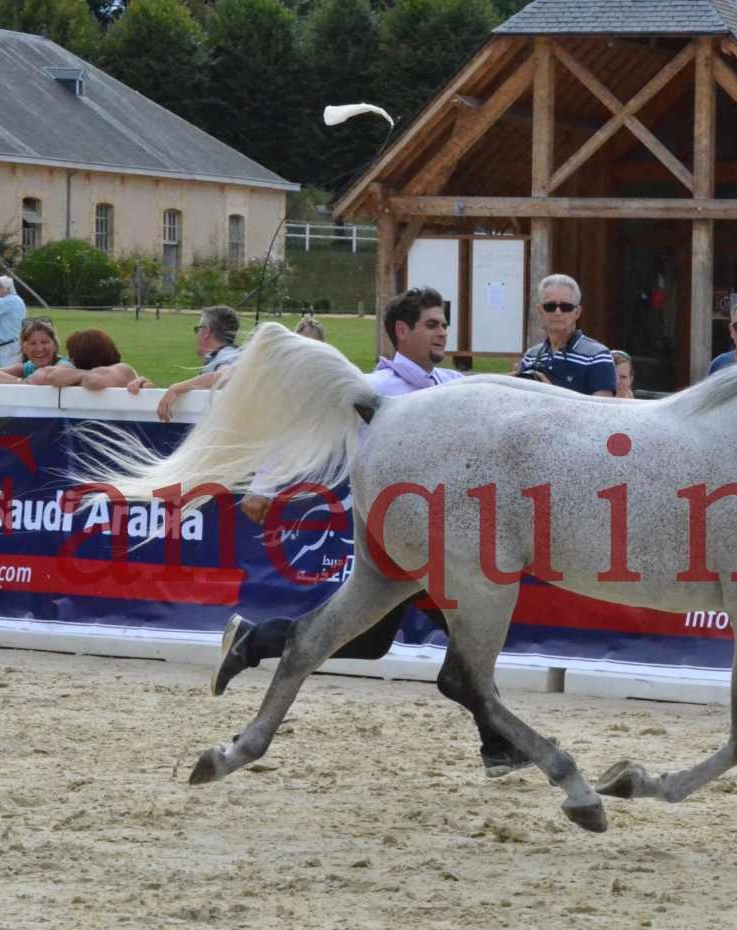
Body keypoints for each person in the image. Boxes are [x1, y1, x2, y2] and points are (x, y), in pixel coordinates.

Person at [211, 289, 529, 778]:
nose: (442, 331)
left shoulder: (449, 384)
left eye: (443, 324)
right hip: (396, 536)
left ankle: (254, 640)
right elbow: (301, 430)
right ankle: (499, 746)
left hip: (444, 536)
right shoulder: (372, 387)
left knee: (375, 642)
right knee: (463, 637)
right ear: (402, 332)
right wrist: (264, 485)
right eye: (431, 324)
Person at [517, 274, 616, 395]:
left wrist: (551, 393)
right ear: (540, 311)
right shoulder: (531, 356)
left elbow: (601, 411)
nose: (558, 312)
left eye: (566, 307)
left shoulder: (598, 356)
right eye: (550, 306)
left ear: (577, 312)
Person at [154, 305, 242, 422]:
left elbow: (225, 376)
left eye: (198, 329)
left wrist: (176, 388)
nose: (196, 335)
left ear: (206, 332)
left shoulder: (228, 354)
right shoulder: (224, 355)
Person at [0, 318, 64, 384]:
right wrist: (21, 382)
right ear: (24, 349)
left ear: (55, 346)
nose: (39, 348)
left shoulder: (64, 364)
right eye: (33, 343)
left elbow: (44, 377)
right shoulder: (28, 367)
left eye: (44, 342)